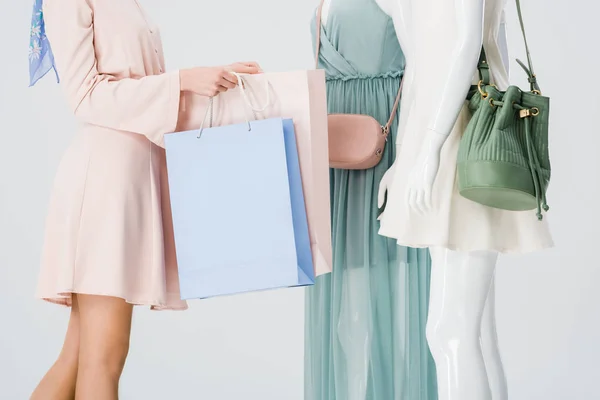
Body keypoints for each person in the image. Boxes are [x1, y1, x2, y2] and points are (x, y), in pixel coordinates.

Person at [28, 0, 261, 398]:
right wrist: (185, 80)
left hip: (129, 182)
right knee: (104, 356)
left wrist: (213, 82)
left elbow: (141, 92)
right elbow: (85, 97)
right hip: (105, 185)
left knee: (80, 354)